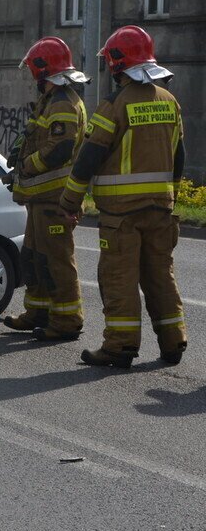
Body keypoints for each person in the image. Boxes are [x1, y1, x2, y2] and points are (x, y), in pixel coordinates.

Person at [59, 25, 186, 368]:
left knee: (119, 279)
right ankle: (173, 341)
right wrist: (167, 195)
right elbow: (179, 157)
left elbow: (89, 158)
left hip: (122, 215)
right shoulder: (169, 101)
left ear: (117, 64)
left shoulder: (114, 105)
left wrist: (70, 203)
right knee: (160, 275)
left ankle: (120, 346)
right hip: (161, 208)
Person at [1, 37, 88, 342]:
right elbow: (37, 137)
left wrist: (26, 167)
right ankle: (38, 312)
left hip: (55, 198)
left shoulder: (63, 102)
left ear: (42, 70)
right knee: (34, 257)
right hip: (40, 199)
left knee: (57, 260)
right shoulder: (51, 100)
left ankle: (67, 320)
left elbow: (59, 149)